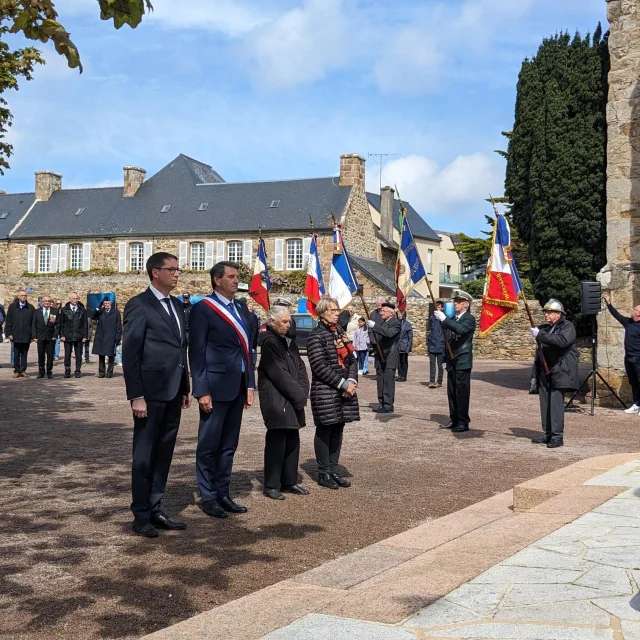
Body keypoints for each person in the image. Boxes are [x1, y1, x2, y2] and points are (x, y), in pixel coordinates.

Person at [123, 252, 191, 538]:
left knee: (164, 454)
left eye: (178, 269)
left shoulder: (177, 305)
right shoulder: (139, 305)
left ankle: (156, 507)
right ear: (155, 272)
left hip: (173, 391)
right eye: (171, 269)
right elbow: (131, 353)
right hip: (149, 394)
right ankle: (140, 515)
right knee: (144, 456)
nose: (177, 274)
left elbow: (180, 349)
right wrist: (136, 395)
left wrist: (185, 387)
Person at [189, 261, 256, 518]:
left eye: (237, 276)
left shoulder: (240, 307)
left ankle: (223, 492)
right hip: (215, 387)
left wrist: (249, 383)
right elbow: (196, 353)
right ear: (217, 280)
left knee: (229, 444)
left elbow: (247, 349)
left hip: (237, 385)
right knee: (209, 445)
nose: (235, 280)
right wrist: (201, 390)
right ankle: (208, 497)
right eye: (230, 276)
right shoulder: (203, 309)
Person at [258, 305, 310, 500]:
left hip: (292, 398)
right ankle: (271, 484)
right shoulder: (270, 343)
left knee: (292, 440)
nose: (289, 325)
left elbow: (301, 369)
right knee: (277, 441)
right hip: (277, 399)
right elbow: (280, 374)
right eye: (285, 322)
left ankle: (289, 481)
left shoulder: (289, 343)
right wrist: (299, 395)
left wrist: (303, 391)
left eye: (290, 321)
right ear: (273, 322)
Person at [307, 296, 359, 489]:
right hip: (325, 390)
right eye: (332, 310)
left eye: (337, 310)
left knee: (338, 429)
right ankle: (324, 473)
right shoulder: (316, 336)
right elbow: (319, 366)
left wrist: (352, 381)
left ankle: (334, 470)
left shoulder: (340, 333)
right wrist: (343, 384)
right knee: (325, 429)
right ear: (322, 313)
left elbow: (352, 360)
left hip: (344, 389)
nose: (337, 313)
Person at [529, 299, 578, 448]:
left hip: (560, 369)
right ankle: (547, 433)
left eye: (549, 312)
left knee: (556, 405)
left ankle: (557, 436)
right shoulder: (544, 328)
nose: (546, 314)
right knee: (545, 404)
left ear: (558, 314)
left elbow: (562, 341)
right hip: (545, 370)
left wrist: (540, 336)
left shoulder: (567, 326)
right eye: (545, 312)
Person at [434, 290, 476, 432]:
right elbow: (448, 341)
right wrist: (445, 359)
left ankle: (463, 422)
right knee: (451, 391)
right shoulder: (453, 318)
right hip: (452, 360)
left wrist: (445, 320)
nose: (455, 303)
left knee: (461, 391)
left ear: (466, 304)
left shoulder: (469, 319)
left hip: (463, 359)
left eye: (458, 302)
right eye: (455, 301)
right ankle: (454, 419)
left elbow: (460, 330)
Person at [604, 294, 640, 414]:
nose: (632, 310)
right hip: (628, 357)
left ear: (638, 314)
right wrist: (609, 303)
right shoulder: (628, 322)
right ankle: (636, 404)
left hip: (638, 358)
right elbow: (617, 316)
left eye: (634, 309)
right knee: (633, 382)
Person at [367, 303, 402, 413]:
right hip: (380, 353)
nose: (381, 313)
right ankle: (381, 402)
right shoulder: (383, 322)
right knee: (380, 378)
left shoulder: (396, 323)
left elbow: (389, 333)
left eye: (383, 311)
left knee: (388, 379)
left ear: (390, 313)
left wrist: (375, 327)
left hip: (390, 354)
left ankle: (388, 404)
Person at [5, 290, 35, 378]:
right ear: (18, 297)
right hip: (15, 334)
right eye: (22, 295)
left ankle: (23, 370)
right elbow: (9, 321)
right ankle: (17, 370)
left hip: (26, 334)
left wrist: (33, 335)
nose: (24, 297)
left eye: (25, 295)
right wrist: (9, 333)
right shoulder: (12, 307)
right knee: (16, 353)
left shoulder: (31, 308)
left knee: (25, 353)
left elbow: (33, 323)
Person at [60, 292, 88, 378]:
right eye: (73, 298)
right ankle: (67, 371)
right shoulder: (64, 309)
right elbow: (61, 323)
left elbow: (85, 324)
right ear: (70, 299)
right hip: (68, 335)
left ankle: (78, 371)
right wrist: (62, 335)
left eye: (77, 298)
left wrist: (85, 336)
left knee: (78, 355)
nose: (75, 300)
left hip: (79, 335)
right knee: (67, 355)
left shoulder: (82, 310)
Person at [92, 297, 122, 378]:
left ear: (110, 303)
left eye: (108, 303)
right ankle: (101, 373)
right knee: (101, 355)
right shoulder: (101, 311)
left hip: (111, 336)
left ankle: (109, 373)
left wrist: (118, 335)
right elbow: (93, 317)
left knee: (111, 355)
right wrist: (99, 306)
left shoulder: (116, 312)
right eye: (105, 303)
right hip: (101, 336)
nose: (106, 305)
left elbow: (119, 325)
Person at [32, 295, 59, 379]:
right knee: (41, 355)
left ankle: (49, 372)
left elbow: (58, 325)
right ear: (42, 302)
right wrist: (34, 336)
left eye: (48, 301)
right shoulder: (37, 311)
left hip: (51, 337)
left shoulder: (55, 311)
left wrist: (55, 335)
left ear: (51, 302)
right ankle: (41, 372)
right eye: (45, 301)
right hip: (40, 336)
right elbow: (33, 325)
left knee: (50, 356)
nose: (47, 302)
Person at [238, 296, 260, 368]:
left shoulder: (253, 316)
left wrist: (252, 346)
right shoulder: (238, 315)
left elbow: (254, 332)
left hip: (249, 343)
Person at [428, 301, 445, 388]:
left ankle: (439, 381)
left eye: (439, 307)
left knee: (441, 364)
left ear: (442, 308)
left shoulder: (444, 318)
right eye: (436, 307)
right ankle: (431, 381)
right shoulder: (432, 317)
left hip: (441, 345)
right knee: (432, 364)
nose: (437, 309)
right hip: (432, 344)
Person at [397, 313, 413, 382]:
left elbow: (410, 337)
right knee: (398, 362)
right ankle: (399, 375)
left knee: (404, 361)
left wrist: (408, 348)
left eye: (401, 314)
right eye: (399, 314)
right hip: (397, 346)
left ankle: (404, 376)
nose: (400, 315)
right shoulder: (396, 323)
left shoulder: (407, 324)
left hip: (404, 346)